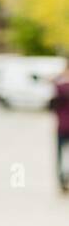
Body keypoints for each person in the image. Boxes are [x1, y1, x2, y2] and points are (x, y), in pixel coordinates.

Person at [52, 61, 69, 193]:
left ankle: (62, 180)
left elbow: (52, 105)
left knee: (61, 155)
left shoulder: (60, 87)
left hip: (62, 126)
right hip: (63, 126)